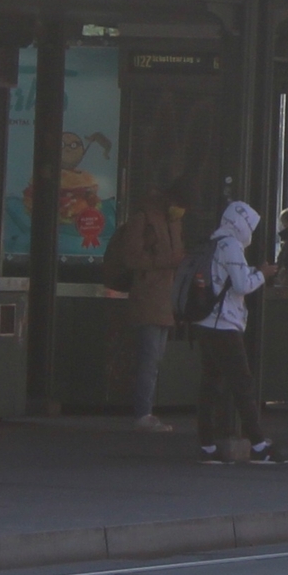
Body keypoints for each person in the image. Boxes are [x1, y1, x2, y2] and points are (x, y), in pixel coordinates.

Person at [191, 200, 288, 465]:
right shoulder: (232, 245)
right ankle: (258, 445)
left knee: (209, 384)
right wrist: (264, 274)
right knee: (242, 384)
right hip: (224, 324)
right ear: (243, 224)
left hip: (205, 321)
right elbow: (242, 285)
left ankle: (207, 446)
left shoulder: (213, 241)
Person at [110, 185, 188, 431]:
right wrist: (167, 262)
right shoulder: (142, 219)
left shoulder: (173, 223)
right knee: (149, 358)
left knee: (155, 358)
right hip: (148, 296)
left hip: (166, 297)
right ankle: (142, 413)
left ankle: (146, 411)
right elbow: (130, 257)